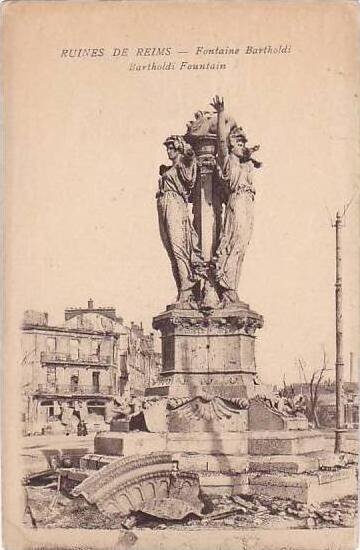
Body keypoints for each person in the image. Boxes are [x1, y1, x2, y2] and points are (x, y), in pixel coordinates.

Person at [210, 96, 260, 306]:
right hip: (237, 202)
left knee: (241, 246)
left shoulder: (245, 164)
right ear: (232, 146)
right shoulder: (228, 161)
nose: (242, 146)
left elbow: (252, 159)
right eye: (238, 143)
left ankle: (232, 288)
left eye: (243, 143)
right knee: (234, 242)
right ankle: (225, 285)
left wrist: (249, 155)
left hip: (247, 203)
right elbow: (221, 142)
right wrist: (221, 114)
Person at [156, 135, 206, 308]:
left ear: (178, 148)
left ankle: (188, 289)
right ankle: (182, 289)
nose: (169, 151)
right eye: (167, 148)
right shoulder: (169, 168)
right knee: (171, 249)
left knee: (179, 248)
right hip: (165, 205)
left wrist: (187, 151)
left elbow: (191, 162)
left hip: (175, 205)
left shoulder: (183, 165)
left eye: (172, 148)